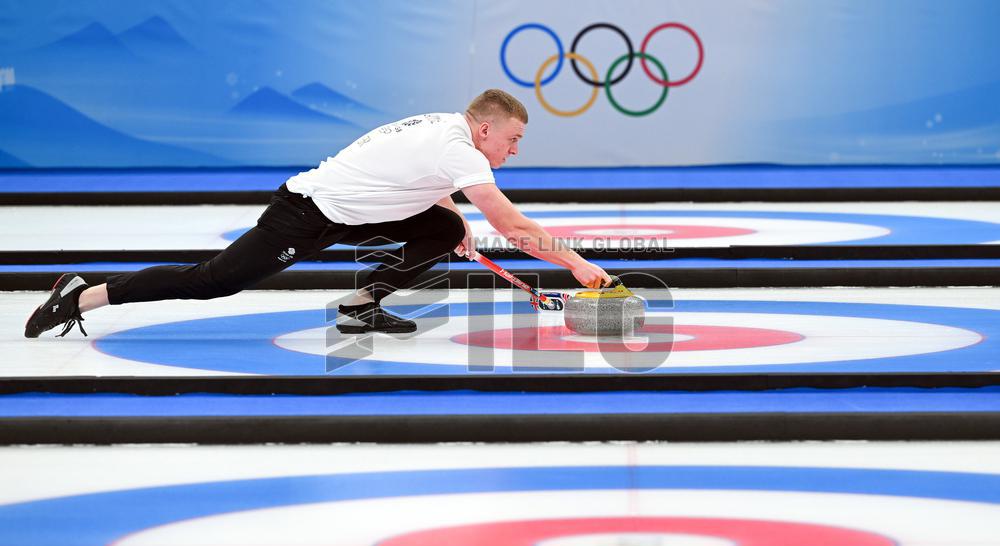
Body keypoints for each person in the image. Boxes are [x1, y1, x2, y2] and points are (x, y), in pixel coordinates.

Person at [25, 89, 611, 338]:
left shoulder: (448, 131)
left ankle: (361, 309)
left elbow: (428, 183)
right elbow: (511, 226)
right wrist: (581, 268)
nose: (514, 151)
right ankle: (81, 295)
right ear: (485, 129)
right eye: (511, 141)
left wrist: (451, 224)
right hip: (307, 213)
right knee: (214, 283)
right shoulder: (456, 146)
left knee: (448, 225)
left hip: (356, 212)